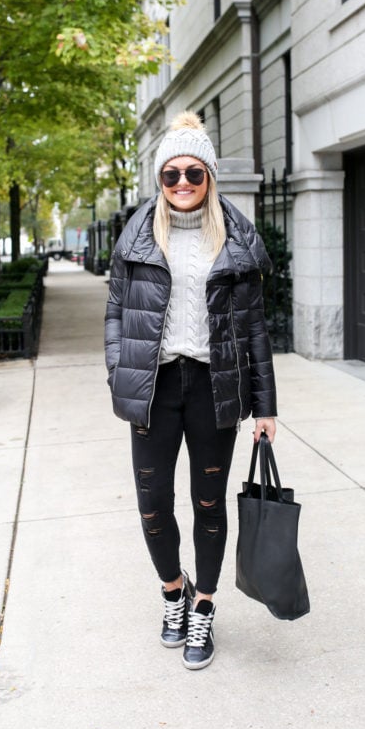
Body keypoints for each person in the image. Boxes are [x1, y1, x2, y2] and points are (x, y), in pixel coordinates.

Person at [104, 111, 277, 670]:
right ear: (159, 179)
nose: (182, 184)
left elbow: (254, 327)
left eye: (193, 174)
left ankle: (203, 604)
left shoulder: (235, 239)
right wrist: (118, 371)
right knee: (153, 506)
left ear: (209, 176)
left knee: (208, 504)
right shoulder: (134, 237)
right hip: (153, 387)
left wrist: (265, 407)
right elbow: (115, 313)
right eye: (171, 174)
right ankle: (173, 592)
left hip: (213, 386)